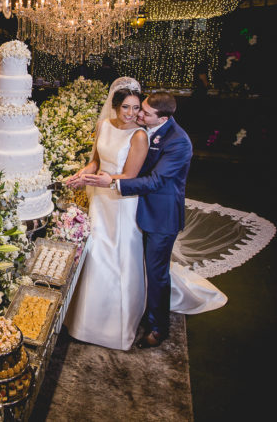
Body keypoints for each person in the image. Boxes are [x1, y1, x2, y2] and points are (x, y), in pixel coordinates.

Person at [82, 90, 226, 349]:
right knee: (134, 263)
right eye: (139, 109)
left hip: (160, 216)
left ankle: (158, 328)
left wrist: (112, 182)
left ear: (163, 117)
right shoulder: (141, 127)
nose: (138, 114)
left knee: (157, 272)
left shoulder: (178, 142)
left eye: (145, 112)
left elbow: (156, 180)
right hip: (132, 207)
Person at [62, 78, 148, 350]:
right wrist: (82, 174)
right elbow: (96, 161)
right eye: (126, 107)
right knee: (95, 252)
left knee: (116, 254)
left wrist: (101, 180)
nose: (131, 114)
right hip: (100, 198)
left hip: (121, 201)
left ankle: (116, 327)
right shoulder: (103, 126)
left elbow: (130, 176)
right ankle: (82, 321)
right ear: (114, 105)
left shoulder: (139, 135)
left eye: (136, 108)